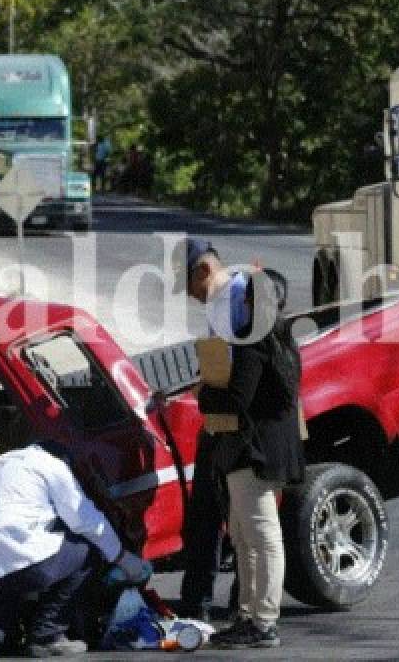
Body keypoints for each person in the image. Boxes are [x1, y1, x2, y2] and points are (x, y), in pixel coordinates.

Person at [171, 237, 305, 649]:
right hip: (249, 447)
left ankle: (263, 621)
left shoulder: (254, 342)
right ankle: (249, 614)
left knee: (260, 535)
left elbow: (235, 397)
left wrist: (204, 394)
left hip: (255, 449)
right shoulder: (270, 338)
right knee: (245, 534)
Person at [0, 442, 150, 661]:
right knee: (86, 550)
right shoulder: (50, 464)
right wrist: (121, 556)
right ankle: (47, 635)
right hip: (11, 559)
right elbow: (85, 520)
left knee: (5, 627)